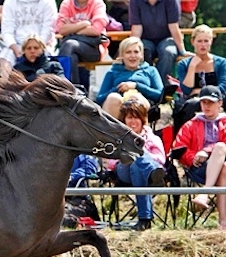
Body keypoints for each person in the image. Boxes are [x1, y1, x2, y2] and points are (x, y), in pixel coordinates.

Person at [172, 86, 226, 228]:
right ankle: (223, 223)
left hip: (224, 167)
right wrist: (194, 157)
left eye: (211, 102)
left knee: (222, 157)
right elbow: (178, 148)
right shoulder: (191, 124)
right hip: (198, 169)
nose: (206, 106)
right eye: (204, 102)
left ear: (220, 103)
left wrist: (207, 151)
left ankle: (205, 195)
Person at [109, 98, 166, 231]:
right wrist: (127, 156)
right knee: (135, 155)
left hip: (139, 173)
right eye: (129, 117)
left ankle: (144, 220)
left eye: (136, 118)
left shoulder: (152, 138)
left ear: (142, 120)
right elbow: (110, 162)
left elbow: (161, 159)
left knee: (137, 165)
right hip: (123, 172)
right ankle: (152, 173)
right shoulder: (116, 137)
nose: (133, 121)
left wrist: (145, 154)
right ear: (124, 119)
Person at [174, 24, 226, 133]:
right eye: (199, 41)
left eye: (206, 41)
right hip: (191, 99)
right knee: (187, 106)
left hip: (217, 98)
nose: (203, 45)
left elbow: (222, 87)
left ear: (211, 42)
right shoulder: (184, 64)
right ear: (193, 42)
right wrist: (192, 67)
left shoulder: (221, 63)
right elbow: (186, 90)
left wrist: (200, 91)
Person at [96, 36, 163, 119]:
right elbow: (99, 98)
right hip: (117, 107)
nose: (132, 56)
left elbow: (160, 95)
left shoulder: (151, 70)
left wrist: (136, 86)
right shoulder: (112, 72)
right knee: (113, 97)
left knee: (136, 98)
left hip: (143, 106)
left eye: (136, 52)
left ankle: (140, 130)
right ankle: (113, 131)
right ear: (122, 55)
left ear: (141, 55)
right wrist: (119, 88)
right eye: (128, 52)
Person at [129, 0, 190, 85]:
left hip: (167, 38)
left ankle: (161, 87)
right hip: (146, 39)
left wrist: (182, 51)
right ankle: (146, 85)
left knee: (168, 52)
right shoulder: (135, 1)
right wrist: (130, 48)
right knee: (143, 51)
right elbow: (136, 28)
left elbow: (174, 27)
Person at [55, 0, 109, 87]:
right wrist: (85, 24)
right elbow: (61, 30)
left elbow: (96, 30)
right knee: (72, 56)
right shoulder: (67, 3)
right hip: (72, 50)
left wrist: (72, 30)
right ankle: (76, 92)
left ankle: (64, 88)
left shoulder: (97, 3)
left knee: (69, 44)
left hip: (94, 49)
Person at [0, 0, 57, 79]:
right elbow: (6, 30)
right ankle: (7, 87)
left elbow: (48, 28)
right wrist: (16, 49)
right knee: (5, 58)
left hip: (42, 44)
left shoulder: (48, 2)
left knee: (48, 59)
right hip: (17, 45)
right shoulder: (10, 2)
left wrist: (38, 47)